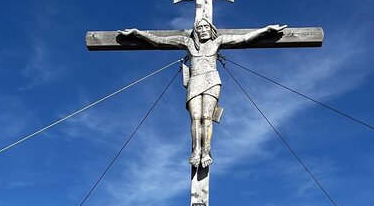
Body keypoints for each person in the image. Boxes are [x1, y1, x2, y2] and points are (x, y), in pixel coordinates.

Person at [120, 18, 286, 168]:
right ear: (196, 30)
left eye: (207, 26)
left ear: (212, 29)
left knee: (207, 117)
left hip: (212, 80)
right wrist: (139, 33)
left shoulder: (217, 42)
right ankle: (195, 151)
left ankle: (206, 152)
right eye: (200, 27)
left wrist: (265, 30)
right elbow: (160, 41)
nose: (204, 29)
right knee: (195, 117)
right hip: (195, 81)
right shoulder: (187, 43)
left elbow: (243, 38)